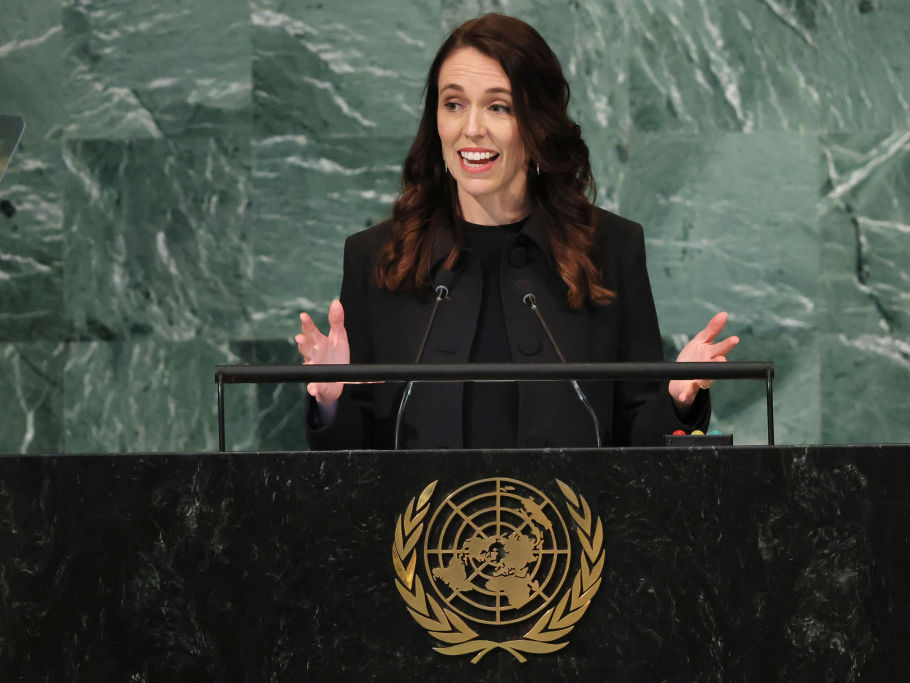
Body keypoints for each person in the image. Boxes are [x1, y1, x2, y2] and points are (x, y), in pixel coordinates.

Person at [295, 14, 738, 450]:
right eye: (453, 104)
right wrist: (330, 402)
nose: (471, 129)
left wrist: (678, 396)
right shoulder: (376, 255)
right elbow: (352, 472)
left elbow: (634, 435)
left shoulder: (610, 248)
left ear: (537, 124)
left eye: (498, 107)